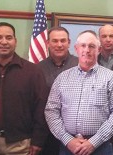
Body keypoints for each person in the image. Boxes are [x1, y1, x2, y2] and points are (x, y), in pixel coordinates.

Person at [45, 30, 113, 155]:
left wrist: (94, 142)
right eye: (83, 45)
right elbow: (51, 111)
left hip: (100, 148)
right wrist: (68, 140)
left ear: (99, 49)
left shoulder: (111, 78)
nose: (87, 50)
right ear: (76, 48)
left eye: (91, 46)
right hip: (68, 147)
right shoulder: (62, 78)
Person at [0, 22, 49, 155]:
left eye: (9, 38)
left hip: (21, 144)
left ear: (15, 41)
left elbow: (41, 107)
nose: (4, 42)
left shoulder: (33, 71)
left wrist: (37, 140)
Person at [38, 27, 78, 155]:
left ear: (69, 42)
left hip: (75, 134)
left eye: (63, 41)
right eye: (55, 41)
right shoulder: (38, 69)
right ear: (48, 43)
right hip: (46, 133)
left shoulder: (80, 65)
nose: (59, 45)